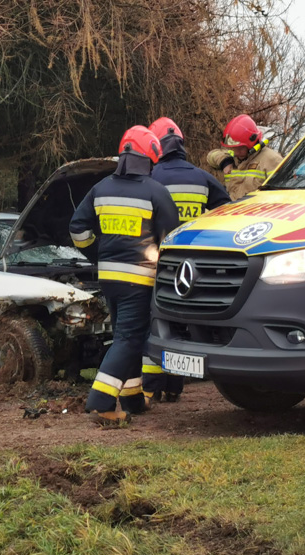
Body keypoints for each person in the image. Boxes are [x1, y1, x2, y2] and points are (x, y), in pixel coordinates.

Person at [69, 126, 180, 427]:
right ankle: (101, 402)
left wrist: (99, 254)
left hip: (109, 278)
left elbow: (77, 229)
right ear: (149, 158)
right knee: (130, 339)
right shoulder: (156, 192)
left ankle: (132, 398)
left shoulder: (101, 187)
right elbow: (172, 241)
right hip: (140, 281)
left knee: (122, 336)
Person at [141, 117, 231, 404]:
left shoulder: (152, 178)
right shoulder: (203, 177)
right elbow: (228, 211)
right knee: (179, 325)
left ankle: (151, 386)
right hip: (195, 269)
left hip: (158, 263)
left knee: (154, 324)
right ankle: (174, 387)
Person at [206, 114, 283, 199]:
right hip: (233, 210)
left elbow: (280, 194)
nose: (236, 152)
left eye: (240, 148)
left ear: (252, 143)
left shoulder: (272, 159)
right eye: (233, 148)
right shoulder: (233, 156)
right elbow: (211, 156)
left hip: (257, 211)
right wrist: (225, 162)